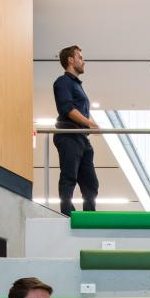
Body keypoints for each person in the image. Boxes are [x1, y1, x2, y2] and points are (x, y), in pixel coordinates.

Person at [53, 44, 99, 216]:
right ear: (70, 60)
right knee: (69, 176)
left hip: (81, 137)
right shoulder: (63, 82)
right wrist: (90, 123)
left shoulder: (77, 85)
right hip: (69, 135)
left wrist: (89, 125)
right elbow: (67, 109)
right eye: (80, 57)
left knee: (91, 183)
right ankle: (67, 214)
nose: (83, 61)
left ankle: (89, 216)